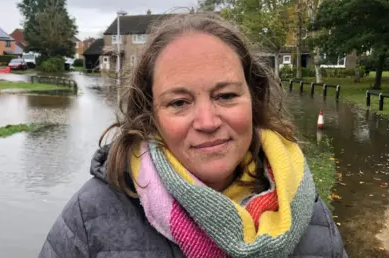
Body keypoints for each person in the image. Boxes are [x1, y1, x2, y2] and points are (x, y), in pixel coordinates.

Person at [39, 13, 347, 258]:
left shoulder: (303, 205)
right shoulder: (90, 216)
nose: (207, 121)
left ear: (254, 97)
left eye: (225, 95)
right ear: (151, 116)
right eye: (179, 102)